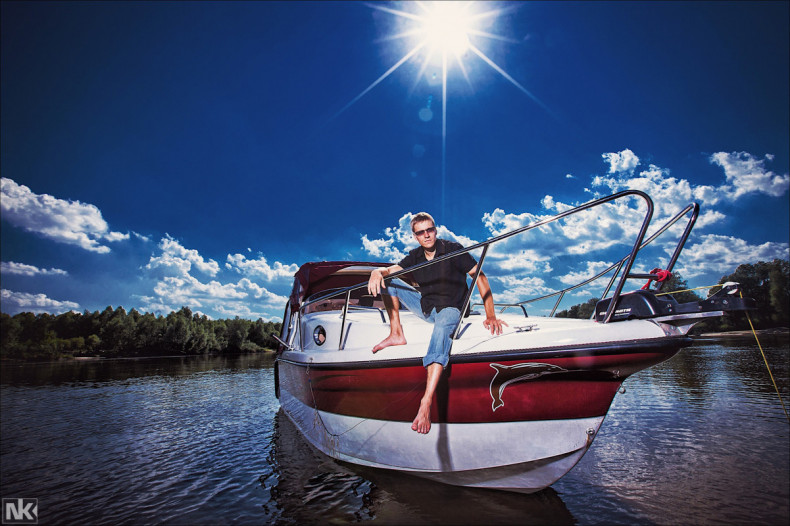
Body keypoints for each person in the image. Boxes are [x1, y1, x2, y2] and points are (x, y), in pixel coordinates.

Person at [367, 212, 507, 434]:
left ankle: (426, 401)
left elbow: (479, 276)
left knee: (441, 329)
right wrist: (377, 272)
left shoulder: (452, 249)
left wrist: (490, 315)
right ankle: (396, 333)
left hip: (451, 309)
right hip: (427, 307)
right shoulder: (415, 256)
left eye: (429, 230)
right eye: (421, 232)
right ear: (415, 236)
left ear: (435, 230)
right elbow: (391, 271)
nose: (426, 235)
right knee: (388, 281)